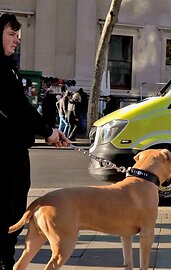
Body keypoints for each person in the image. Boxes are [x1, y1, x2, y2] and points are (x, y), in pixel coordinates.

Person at [0, 13, 69, 270]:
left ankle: (6, 257)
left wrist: (48, 130)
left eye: (18, 36)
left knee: (15, 207)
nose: (17, 40)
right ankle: (5, 260)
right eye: (11, 34)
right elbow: (18, 109)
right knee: (10, 209)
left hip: (13, 151)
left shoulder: (8, 68)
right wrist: (48, 131)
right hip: (6, 154)